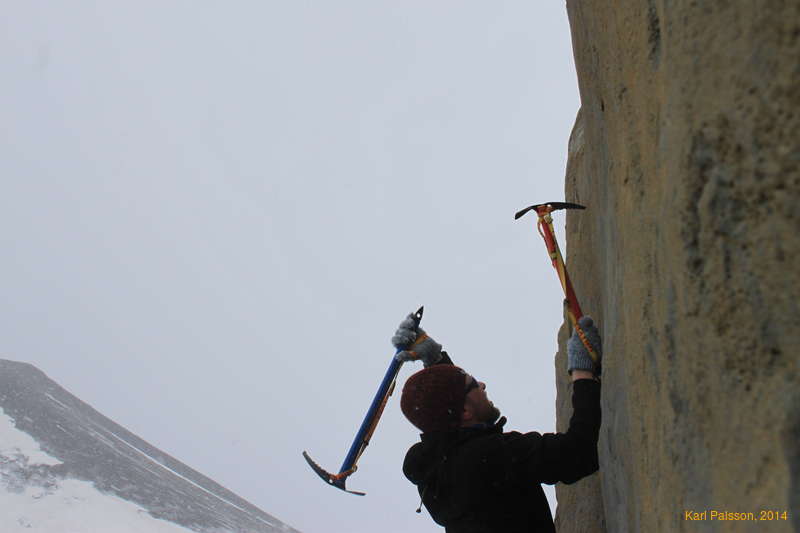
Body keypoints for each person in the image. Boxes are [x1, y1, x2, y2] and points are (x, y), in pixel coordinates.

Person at [393, 312, 602, 533]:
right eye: (473, 384)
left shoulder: (438, 470)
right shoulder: (493, 456)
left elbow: (449, 410)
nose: (482, 385)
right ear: (464, 411)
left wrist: (435, 360)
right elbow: (579, 453)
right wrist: (582, 371)